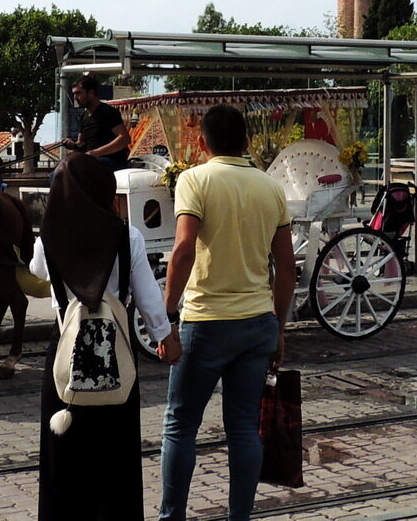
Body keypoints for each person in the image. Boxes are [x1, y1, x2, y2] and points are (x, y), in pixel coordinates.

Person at [158, 104, 296, 521]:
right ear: (247, 142)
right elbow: (286, 266)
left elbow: (183, 250)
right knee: (242, 428)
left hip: (207, 322)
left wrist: (165, 319)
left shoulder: (194, 180)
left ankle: (172, 517)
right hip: (257, 324)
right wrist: (279, 326)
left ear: (202, 142)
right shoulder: (270, 187)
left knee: (181, 425)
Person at [38, 153, 178, 521]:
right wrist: (165, 337)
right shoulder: (126, 236)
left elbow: (37, 271)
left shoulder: (46, 240)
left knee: (63, 455)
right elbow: (149, 298)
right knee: (115, 454)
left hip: (65, 349)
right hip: (115, 348)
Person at [61, 75, 131, 172]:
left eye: (78, 93)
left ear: (91, 93)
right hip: (90, 161)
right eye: (74, 94)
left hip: (111, 162)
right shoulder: (83, 117)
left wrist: (97, 152)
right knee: (58, 172)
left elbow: (124, 139)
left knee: (78, 168)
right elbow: (81, 144)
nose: (75, 97)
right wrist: (73, 145)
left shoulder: (108, 112)